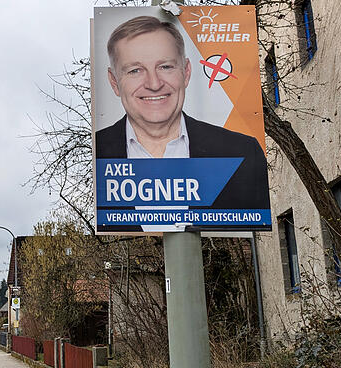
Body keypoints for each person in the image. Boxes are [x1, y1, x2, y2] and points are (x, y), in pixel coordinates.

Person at [96, 15, 269, 220]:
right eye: (135, 70)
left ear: (186, 72)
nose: (154, 83)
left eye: (165, 67)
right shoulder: (98, 150)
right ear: (114, 82)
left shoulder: (242, 152)